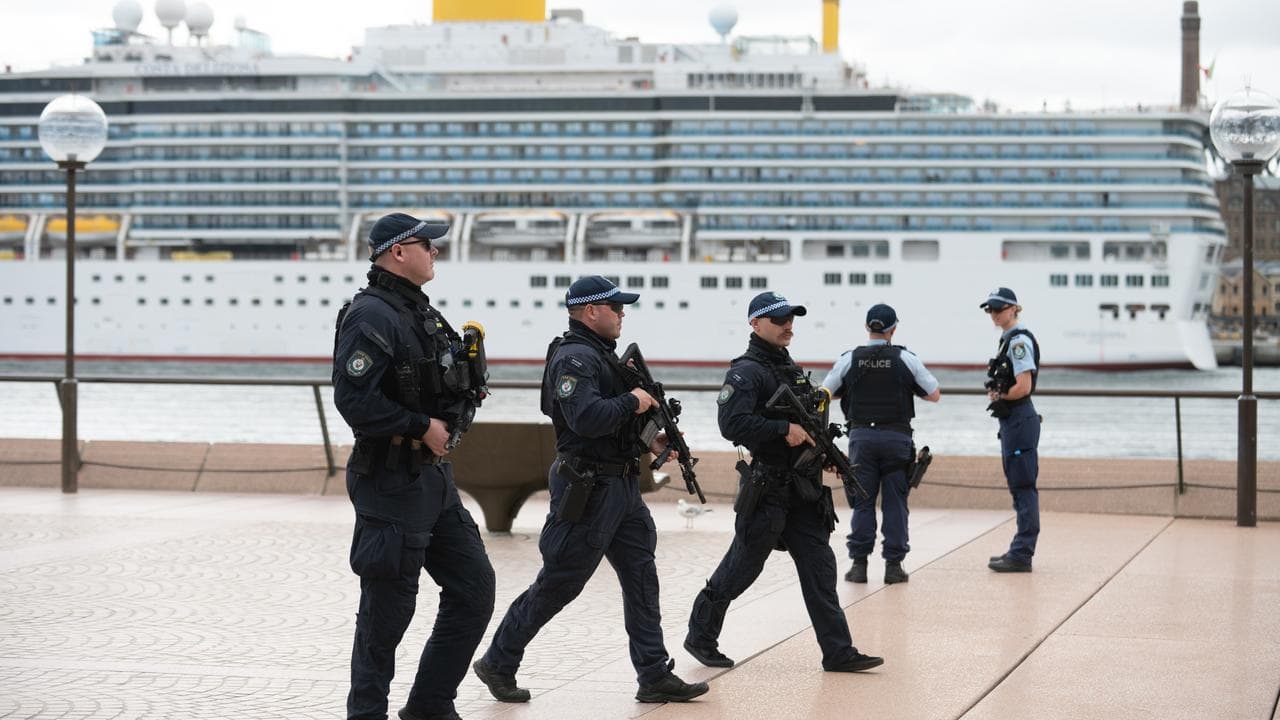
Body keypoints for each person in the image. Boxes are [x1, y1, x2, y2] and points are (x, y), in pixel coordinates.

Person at [472, 275, 708, 705]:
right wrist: (633, 402)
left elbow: (613, 424)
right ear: (590, 311)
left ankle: (653, 673)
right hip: (588, 486)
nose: (622, 315)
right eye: (615, 307)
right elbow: (585, 418)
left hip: (620, 484)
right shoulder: (575, 359)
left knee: (641, 577)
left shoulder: (605, 357)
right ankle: (498, 661)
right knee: (561, 581)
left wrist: (651, 438)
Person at [332, 212, 496, 720]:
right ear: (399, 251)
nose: (436, 253)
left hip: (431, 480)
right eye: (429, 245)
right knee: (387, 610)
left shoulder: (419, 313)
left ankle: (429, 705)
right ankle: (366, 714)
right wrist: (420, 425)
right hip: (389, 479)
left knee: (474, 589)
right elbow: (353, 401)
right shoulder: (371, 315)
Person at [684, 291, 884, 673]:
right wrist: (782, 429)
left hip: (803, 491)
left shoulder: (788, 367)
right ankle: (700, 636)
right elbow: (731, 425)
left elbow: (809, 427)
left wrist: (826, 457)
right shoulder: (746, 372)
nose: (788, 325)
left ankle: (838, 651)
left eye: (791, 318)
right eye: (779, 320)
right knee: (742, 567)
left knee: (820, 569)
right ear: (755, 324)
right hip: (768, 488)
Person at [821, 303, 940, 585]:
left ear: (867, 328)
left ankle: (859, 566)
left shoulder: (849, 358)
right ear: (893, 329)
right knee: (895, 504)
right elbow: (934, 394)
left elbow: (825, 393)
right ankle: (894, 567)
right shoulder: (906, 359)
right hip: (896, 439)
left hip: (861, 439)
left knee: (862, 503)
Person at [980, 287, 1041, 573]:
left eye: (998, 308)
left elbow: (1024, 386)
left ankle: (1022, 553)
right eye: (990, 309)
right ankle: (1019, 550)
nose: (994, 314)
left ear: (1014, 308)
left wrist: (1001, 397)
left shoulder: (1018, 342)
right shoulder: (1008, 341)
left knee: (1023, 485)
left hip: (1019, 419)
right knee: (1018, 485)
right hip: (1014, 420)